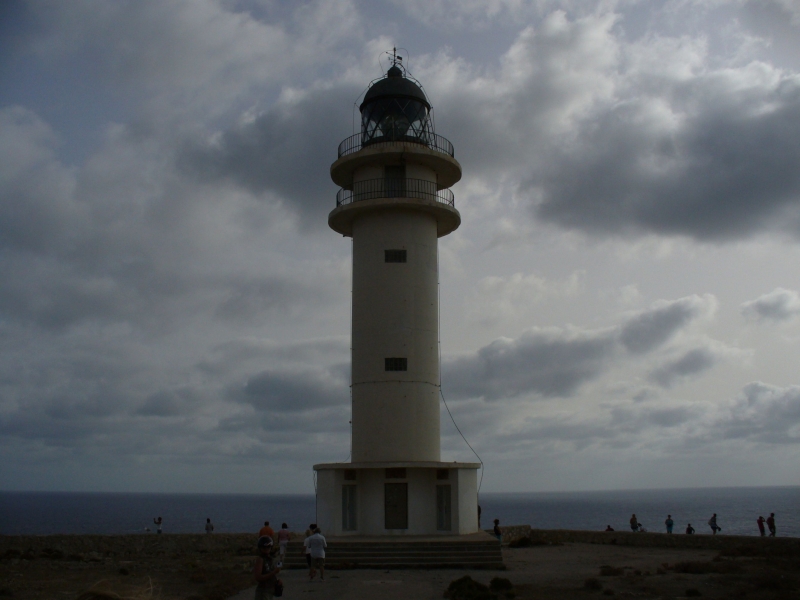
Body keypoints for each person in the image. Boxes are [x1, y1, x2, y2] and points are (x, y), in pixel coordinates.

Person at [253, 535, 281, 600]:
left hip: (269, 590)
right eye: (264, 548)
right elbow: (258, 577)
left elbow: (269, 573)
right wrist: (274, 572)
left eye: (268, 547)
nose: (266, 549)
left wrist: (277, 581)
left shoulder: (269, 559)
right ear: (260, 548)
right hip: (263, 591)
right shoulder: (260, 559)